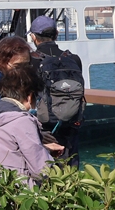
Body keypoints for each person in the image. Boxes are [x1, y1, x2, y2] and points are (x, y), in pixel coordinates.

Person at [0, 62, 63, 186]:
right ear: (30, 96)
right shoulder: (22, 121)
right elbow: (41, 171)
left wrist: (44, 149)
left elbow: (6, 149)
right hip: (13, 191)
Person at [27, 15, 85, 167]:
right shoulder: (74, 59)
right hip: (71, 125)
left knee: (45, 169)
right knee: (69, 169)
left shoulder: (31, 60)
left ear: (33, 37)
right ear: (56, 34)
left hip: (43, 127)